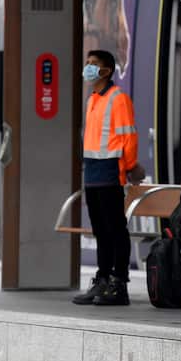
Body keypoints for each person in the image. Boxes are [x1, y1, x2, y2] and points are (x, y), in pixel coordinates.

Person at [72, 49, 141, 307]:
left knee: (115, 229)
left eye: (93, 64)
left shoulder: (118, 98)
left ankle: (118, 283)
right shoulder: (93, 99)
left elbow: (128, 136)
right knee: (100, 230)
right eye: (87, 62)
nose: (88, 67)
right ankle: (102, 279)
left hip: (111, 171)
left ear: (106, 70)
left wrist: (130, 166)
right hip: (92, 172)